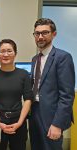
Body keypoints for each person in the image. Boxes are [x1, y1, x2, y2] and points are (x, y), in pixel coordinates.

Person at [29, 18, 75, 150]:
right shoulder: (35, 59)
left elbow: (67, 95)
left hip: (52, 116)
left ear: (54, 34)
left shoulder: (63, 57)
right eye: (37, 33)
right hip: (35, 112)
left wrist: (57, 124)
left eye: (45, 33)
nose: (40, 37)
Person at [0, 39, 33, 150]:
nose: (6, 54)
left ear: (15, 53)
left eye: (9, 51)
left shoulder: (24, 74)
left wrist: (20, 122)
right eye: (2, 51)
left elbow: (28, 99)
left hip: (18, 121)